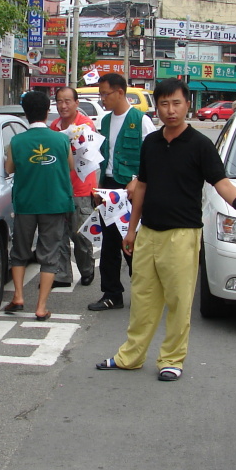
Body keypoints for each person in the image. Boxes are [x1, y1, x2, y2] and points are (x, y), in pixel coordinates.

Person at [95, 79, 236, 381]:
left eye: (176, 103)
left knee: (178, 301)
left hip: (182, 235)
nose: (170, 110)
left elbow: (221, 183)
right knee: (143, 299)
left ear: (187, 105)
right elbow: (142, 187)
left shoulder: (200, 145)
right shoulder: (151, 143)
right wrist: (132, 230)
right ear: (157, 107)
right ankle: (131, 356)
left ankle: (171, 360)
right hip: (149, 233)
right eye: (164, 104)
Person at [2, 91, 74, 321]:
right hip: (54, 203)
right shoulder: (61, 139)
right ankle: (41, 307)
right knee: (50, 253)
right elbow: (71, 166)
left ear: (25, 113)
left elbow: (9, 169)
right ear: (47, 111)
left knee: (19, 252)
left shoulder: (16, 141)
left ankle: (18, 297)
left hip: (26, 203)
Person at [88, 72, 155, 311]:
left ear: (120, 92)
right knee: (109, 243)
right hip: (108, 188)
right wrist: (97, 189)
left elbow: (152, 157)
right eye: (101, 94)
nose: (102, 98)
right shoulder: (105, 121)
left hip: (132, 190)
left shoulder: (141, 120)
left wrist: (137, 180)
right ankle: (112, 294)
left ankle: (145, 294)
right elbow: (102, 157)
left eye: (105, 94)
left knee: (133, 242)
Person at [50, 86, 97, 287]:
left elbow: (88, 152)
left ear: (76, 103)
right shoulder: (54, 126)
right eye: (59, 101)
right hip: (59, 188)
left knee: (80, 235)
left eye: (67, 101)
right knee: (59, 234)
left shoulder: (86, 125)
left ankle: (87, 269)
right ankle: (62, 275)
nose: (63, 106)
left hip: (81, 188)